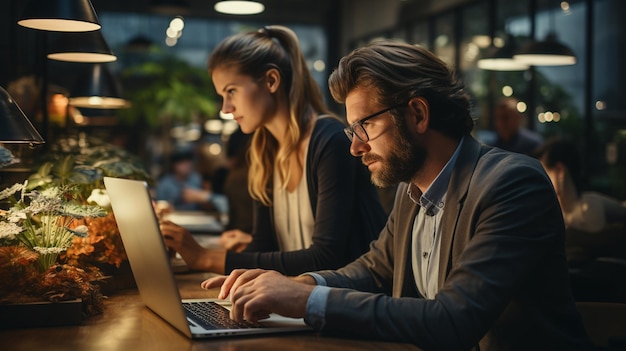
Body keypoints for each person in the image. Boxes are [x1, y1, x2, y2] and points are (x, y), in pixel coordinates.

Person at [200, 41, 593, 350]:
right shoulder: (411, 187)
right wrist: (299, 283)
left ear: (418, 114)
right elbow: (374, 270)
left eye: (364, 127)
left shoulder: (511, 184)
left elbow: (452, 320)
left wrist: (304, 302)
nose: (355, 148)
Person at [158, 25, 387, 276]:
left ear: (271, 80)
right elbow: (264, 246)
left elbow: (326, 257)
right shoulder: (265, 151)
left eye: (231, 91)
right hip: (295, 301)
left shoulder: (330, 141)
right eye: (222, 95)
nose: (225, 108)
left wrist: (205, 258)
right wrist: (190, 261)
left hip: (344, 306)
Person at [536, 137, 626, 233]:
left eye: (544, 172)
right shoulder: (557, 213)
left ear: (560, 171)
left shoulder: (588, 208)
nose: (538, 181)